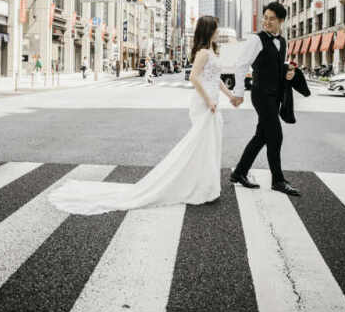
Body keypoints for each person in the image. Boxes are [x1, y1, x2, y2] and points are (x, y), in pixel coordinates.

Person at [49, 15, 233, 214]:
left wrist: (230, 95)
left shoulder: (211, 51)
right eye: (215, 28)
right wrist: (209, 101)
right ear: (208, 31)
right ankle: (201, 186)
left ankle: (206, 185)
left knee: (209, 145)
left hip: (212, 103)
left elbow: (216, 79)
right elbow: (193, 78)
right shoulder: (203, 53)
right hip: (205, 104)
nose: (218, 31)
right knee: (201, 145)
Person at [230, 2, 299, 197]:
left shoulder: (283, 41)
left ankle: (239, 172)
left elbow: (277, 65)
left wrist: (288, 73)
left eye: (271, 19)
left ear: (281, 21)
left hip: (275, 95)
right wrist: (238, 92)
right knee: (275, 136)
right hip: (261, 95)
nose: (266, 22)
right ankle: (278, 180)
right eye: (265, 17)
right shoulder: (256, 40)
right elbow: (241, 65)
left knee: (262, 136)